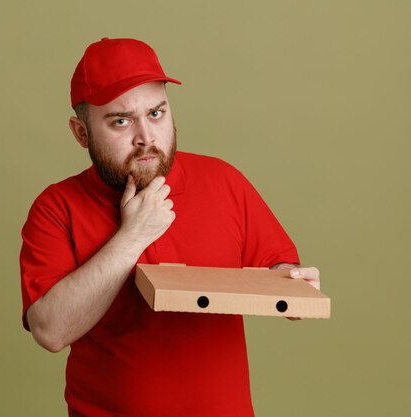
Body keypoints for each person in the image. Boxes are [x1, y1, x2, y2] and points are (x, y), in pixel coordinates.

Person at [19, 37, 320, 417]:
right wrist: (133, 236)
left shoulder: (224, 182)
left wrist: (294, 286)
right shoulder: (56, 207)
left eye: (157, 113)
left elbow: (278, 271)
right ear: (81, 133)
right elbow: (50, 330)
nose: (145, 137)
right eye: (121, 121)